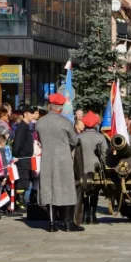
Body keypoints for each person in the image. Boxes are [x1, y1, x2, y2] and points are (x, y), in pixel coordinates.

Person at [36, 93, 81, 232]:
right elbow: (74, 141)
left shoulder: (40, 122)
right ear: (60, 108)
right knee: (67, 189)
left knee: (48, 189)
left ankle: (51, 223)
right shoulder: (65, 122)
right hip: (63, 159)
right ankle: (68, 223)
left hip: (46, 159)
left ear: (49, 106)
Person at [77, 111, 108, 224]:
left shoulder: (79, 137)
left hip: (82, 167)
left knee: (84, 191)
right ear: (95, 124)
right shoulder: (100, 137)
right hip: (96, 168)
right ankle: (92, 215)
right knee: (95, 191)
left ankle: (85, 215)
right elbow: (105, 153)